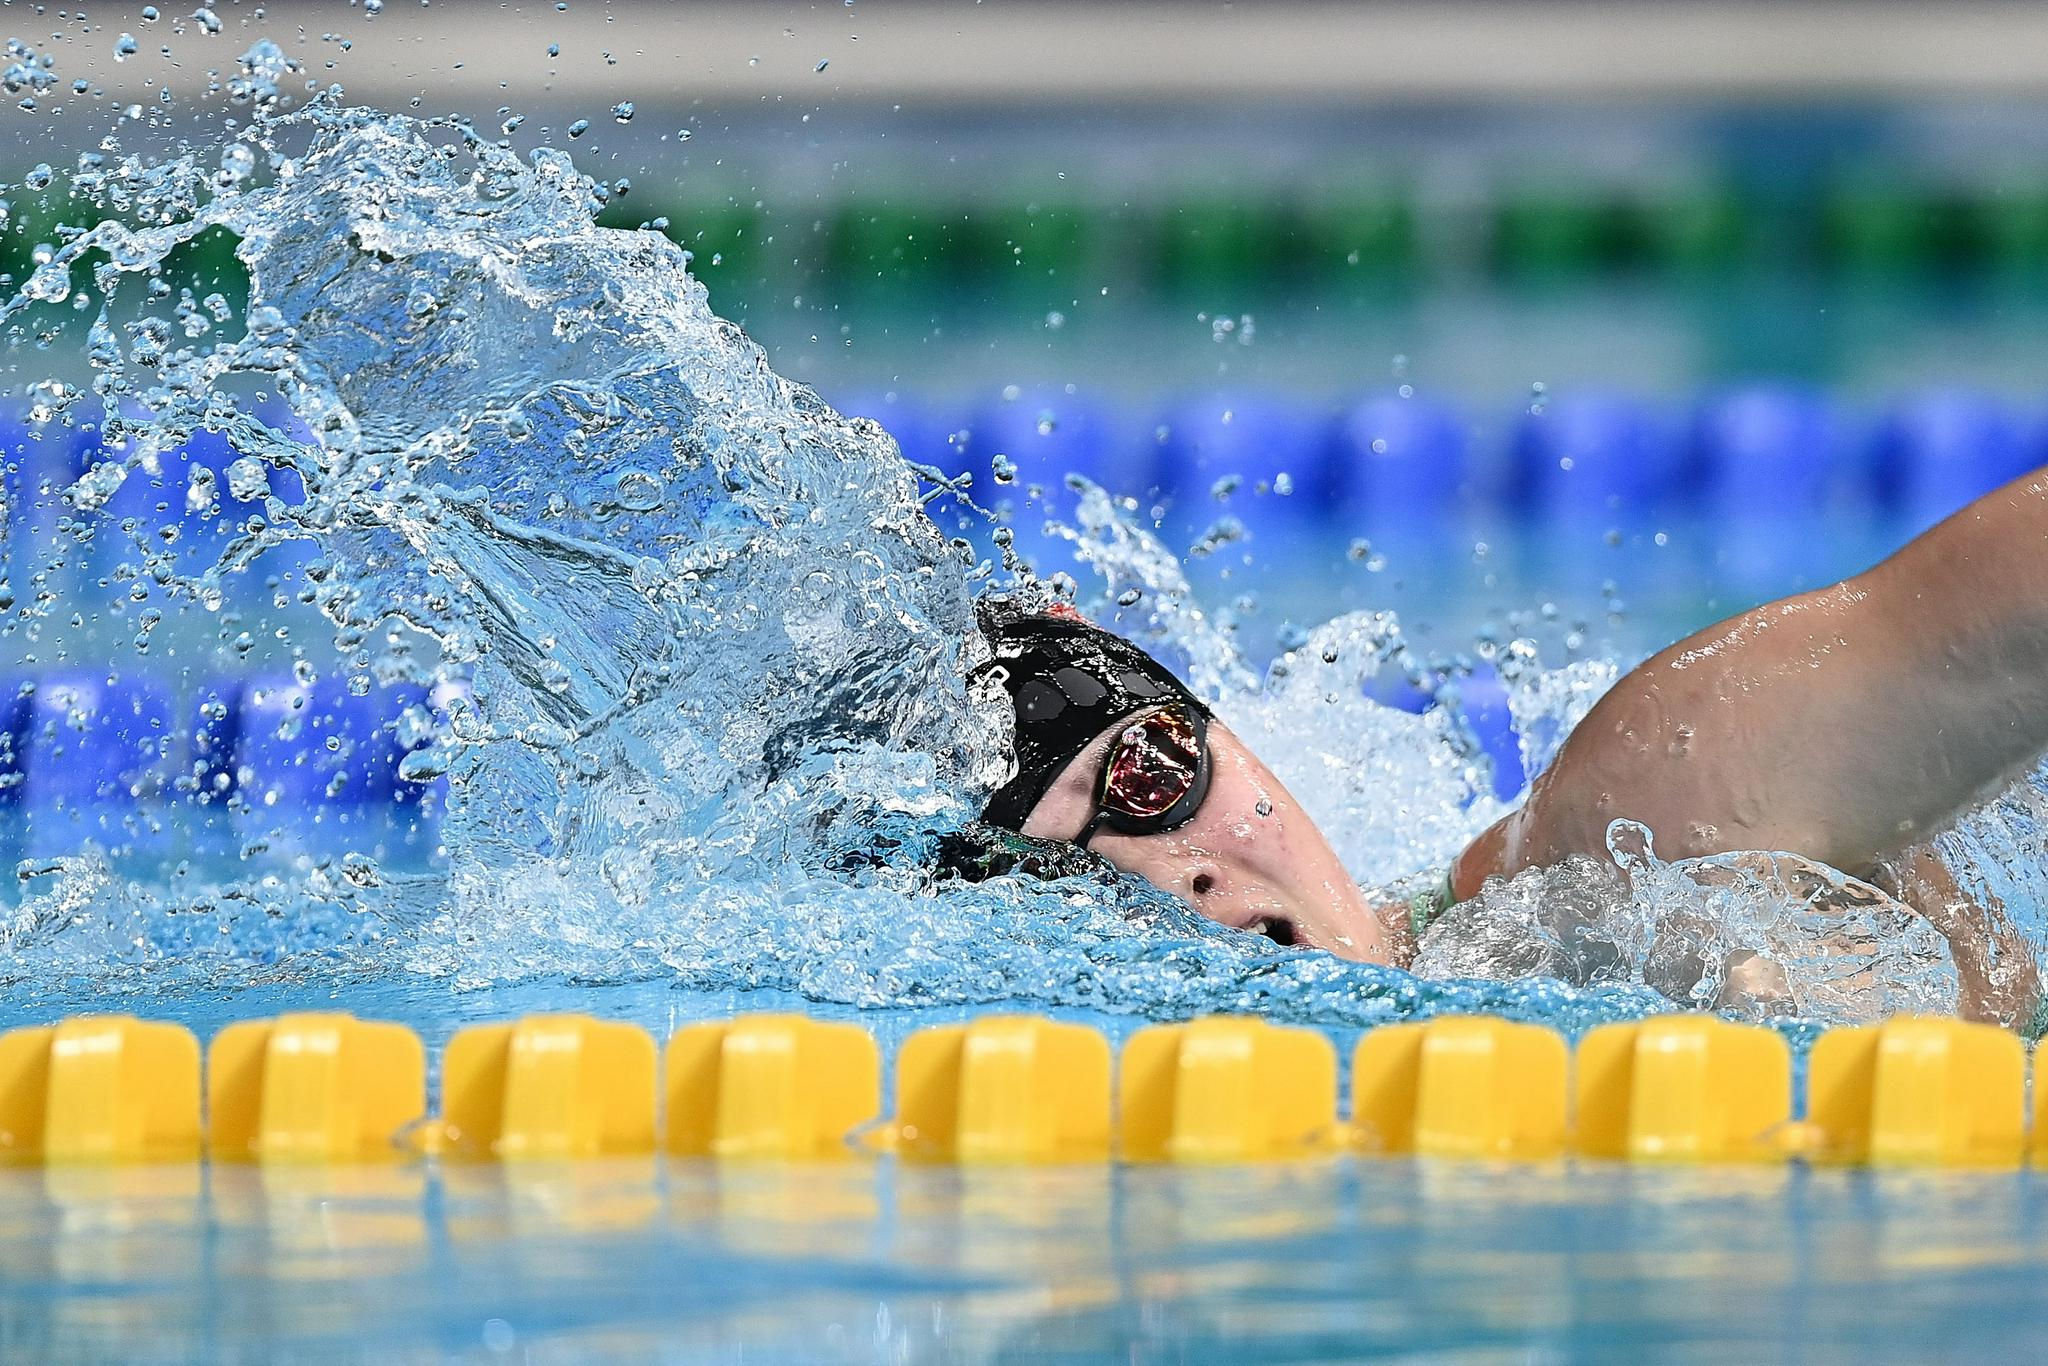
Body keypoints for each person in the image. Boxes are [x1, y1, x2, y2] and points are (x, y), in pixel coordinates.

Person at [961, 467, 2048, 1028]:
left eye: (1148, 779)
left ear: (1221, 733)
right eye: (1076, 880)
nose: (1176, 874)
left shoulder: (1623, 827)